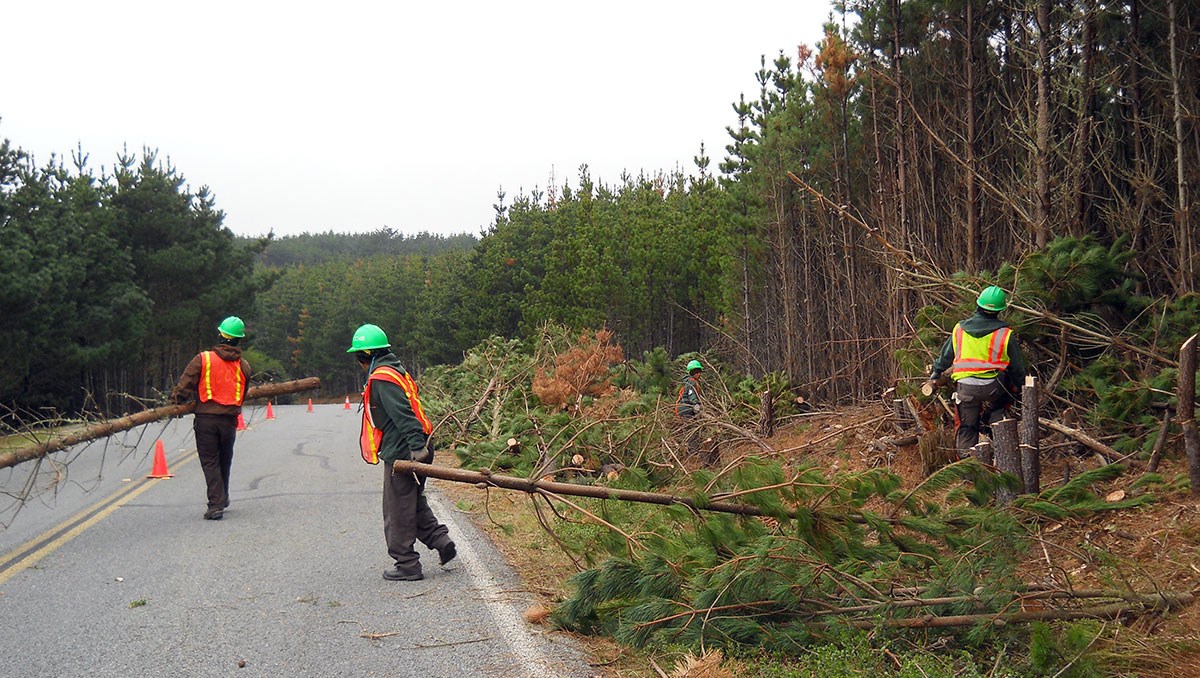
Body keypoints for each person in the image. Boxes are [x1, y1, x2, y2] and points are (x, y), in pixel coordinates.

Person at [348, 323, 456, 581]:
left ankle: (406, 564)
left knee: (396, 508)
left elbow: (403, 415)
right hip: (416, 445)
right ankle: (441, 541)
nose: (359, 363)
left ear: (366, 356)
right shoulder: (396, 370)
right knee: (412, 502)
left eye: (358, 358)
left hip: (406, 451)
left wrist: (415, 446)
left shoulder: (382, 378)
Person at [925, 286, 1027, 459]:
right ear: (1000, 310)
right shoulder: (1005, 333)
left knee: (967, 427)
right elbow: (1017, 369)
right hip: (994, 387)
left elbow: (945, 357)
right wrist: (1022, 389)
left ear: (978, 305)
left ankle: (968, 467)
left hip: (966, 388)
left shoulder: (959, 329)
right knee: (1000, 408)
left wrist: (935, 374)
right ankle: (1002, 451)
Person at [171, 316, 252, 520]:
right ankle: (222, 497)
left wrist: (176, 401)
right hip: (229, 421)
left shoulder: (203, 359)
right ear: (238, 340)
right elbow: (242, 393)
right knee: (224, 459)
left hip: (206, 420)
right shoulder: (244, 366)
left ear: (221, 336)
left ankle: (216, 504)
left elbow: (186, 383)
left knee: (210, 461)